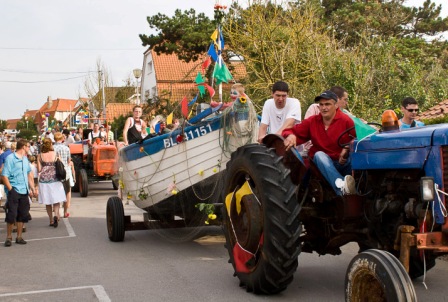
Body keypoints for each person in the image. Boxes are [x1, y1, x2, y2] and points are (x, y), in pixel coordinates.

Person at [282, 90, 357, 196]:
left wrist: (346, 148)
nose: (323, 108)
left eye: (327, 104)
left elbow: (357, 139)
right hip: (322, 164)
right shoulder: (312, 121)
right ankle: (342, 189)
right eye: (321, 105)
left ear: (336, 105)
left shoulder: (347, 121)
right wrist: (291, 135)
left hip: (342, 162)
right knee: (319, 155)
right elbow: (289, 130)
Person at [1, 139, 37, 246]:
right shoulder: (10, 158)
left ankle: (19, 237)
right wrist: (11, 190)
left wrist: (32, 188)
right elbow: (4, 176)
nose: (29, 148)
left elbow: (29, 174)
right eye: (28, 146)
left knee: (22, 215)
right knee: (12, 214)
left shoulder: (25, 159)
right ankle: (8, 237)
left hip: (24, 191)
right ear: (23, 147)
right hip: (14, 190)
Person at [37, 138, 66, 227]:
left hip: (44, 180)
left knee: (48, 201)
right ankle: (56, 215)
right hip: (55, 179)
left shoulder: (40, 155)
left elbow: (39, 169)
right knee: (56, 200)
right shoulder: (55, 154)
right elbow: (61, 164)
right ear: (50, 145)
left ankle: (50, 220)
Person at [54, 132, 72, 218]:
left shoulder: (52, 148)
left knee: (56, 192)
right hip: (65, 173)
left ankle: (57, 214)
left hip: (56, 173)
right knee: (67, 192)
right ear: (62, 139)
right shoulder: (66, 148)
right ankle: (65, 212)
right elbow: (69, 161)